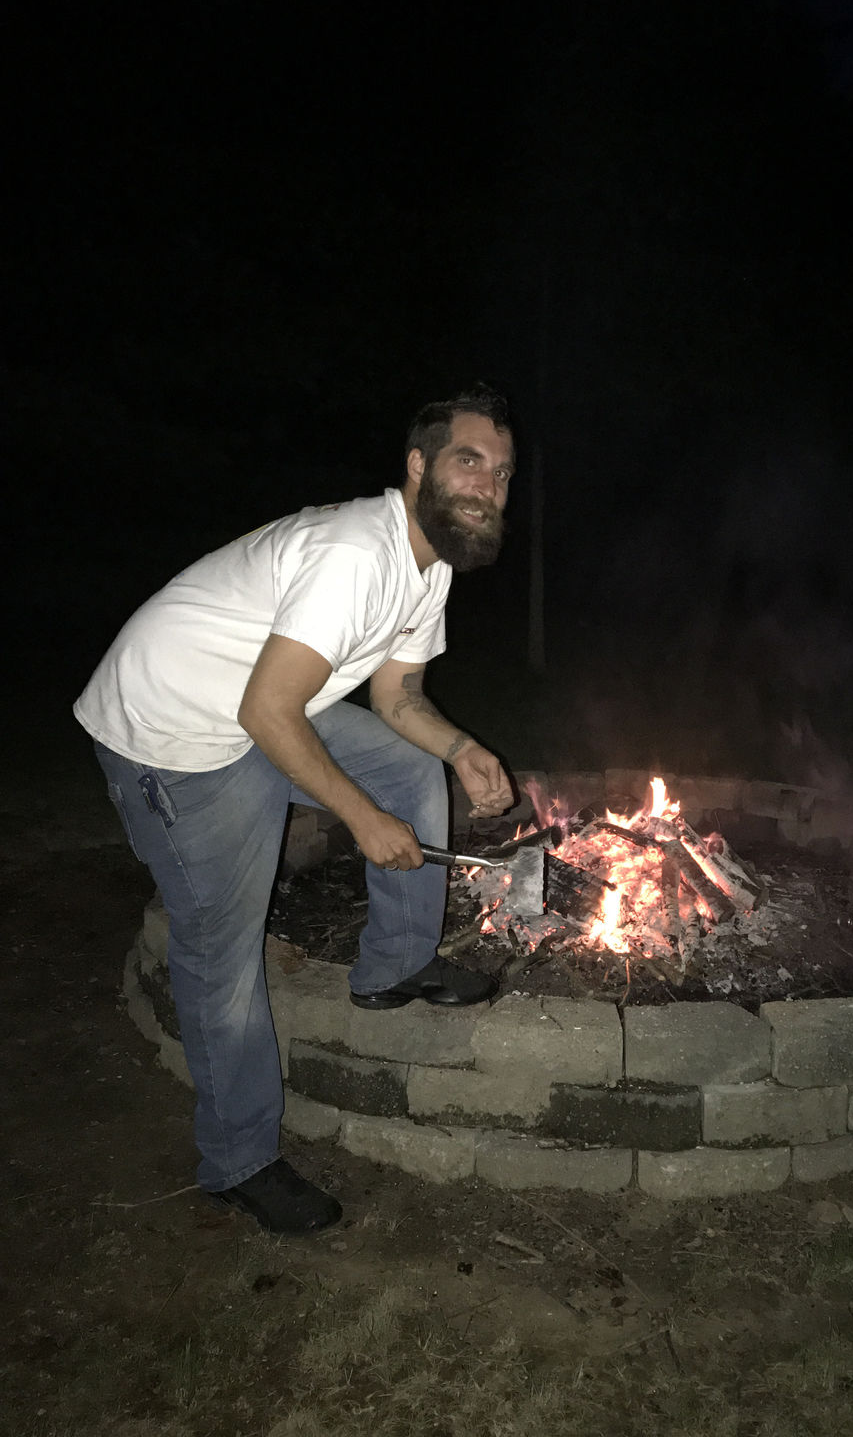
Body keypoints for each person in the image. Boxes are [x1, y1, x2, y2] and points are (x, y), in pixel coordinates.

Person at [74, 387, 517, 1233]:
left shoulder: (427, 570)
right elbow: (267, 712)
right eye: (469, 461)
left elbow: (397, 698)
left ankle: (396, 964)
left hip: (256, 705)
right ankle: (239, 1161)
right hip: (173, 733)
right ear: (418, 466)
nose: (488, 486)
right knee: (222, 951)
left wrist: (460, 749)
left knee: (411, 772)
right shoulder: (356, 554)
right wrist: (361, 819)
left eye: (501, 472)